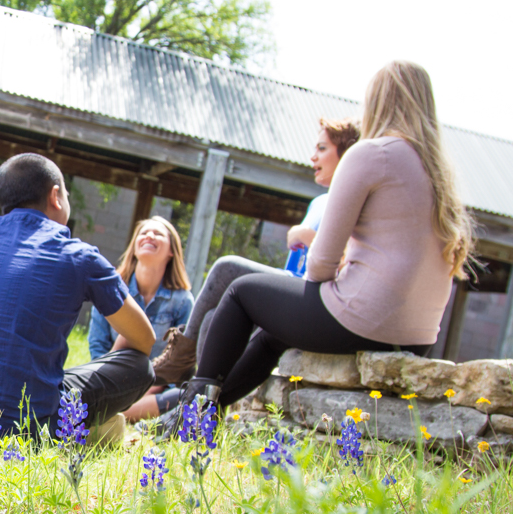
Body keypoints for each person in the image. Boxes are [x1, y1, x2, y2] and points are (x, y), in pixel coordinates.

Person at [158, 60, 475, 435]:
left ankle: (191, 410)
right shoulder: (441, 174)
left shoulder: (372, 154)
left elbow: (320, 264)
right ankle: (197, 415)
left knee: (241, 292)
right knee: (273, 333)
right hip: (418, 338)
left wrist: (330, 279)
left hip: (362, 320)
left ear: (376, 102)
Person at [0, 153, 157, 438]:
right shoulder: (79, 255)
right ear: (56, 196)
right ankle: (81, 432)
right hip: (24, 427)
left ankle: (82, 428)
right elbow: (144, 340)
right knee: (139, 366)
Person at [152, 117, 360, 387]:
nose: (312, 157)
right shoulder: (320, 201)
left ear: (346, 154)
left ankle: (180, 357)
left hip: (312, 297)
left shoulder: (351, 200)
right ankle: (203, 400)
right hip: (289, 284)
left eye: (322, 149)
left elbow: (349, 261)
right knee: (212, 319)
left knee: (227, 267)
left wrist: (308, 236)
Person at [88, 216, 194, 421]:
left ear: (172, 251)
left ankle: (112, 413)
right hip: (112, 382)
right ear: (135, 248)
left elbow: (179, 364)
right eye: (144, 233)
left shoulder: (183, 301)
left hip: (155, 391)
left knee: (185, 396)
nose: (149, 235)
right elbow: (98, 349)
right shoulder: (109, 289)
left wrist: (144, 392)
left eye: (158, 234)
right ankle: (122, 411)